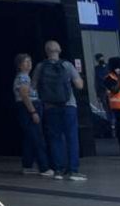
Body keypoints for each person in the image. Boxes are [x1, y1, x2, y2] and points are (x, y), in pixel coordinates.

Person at [32, 41, 87, 181]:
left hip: (50, 107)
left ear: (46, 51)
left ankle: (58, 170)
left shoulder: (40, 67)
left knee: (55, 138)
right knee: (71, 138)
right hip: (68, 105)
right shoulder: (66, 65)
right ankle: (73, 171)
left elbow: (33, 86)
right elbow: (79, 85)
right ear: (59, 49)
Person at [14, 54, 53, 177]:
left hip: (27, 107)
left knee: (29, 138)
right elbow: (25, 95)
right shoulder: (23, 78)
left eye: (30, 61)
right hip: (29, 107)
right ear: (19, 65)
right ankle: (44, 167)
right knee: (37, 137)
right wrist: (33, 112)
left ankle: (27, 165)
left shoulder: (26, 77)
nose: (29, 64)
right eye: (25, 62)